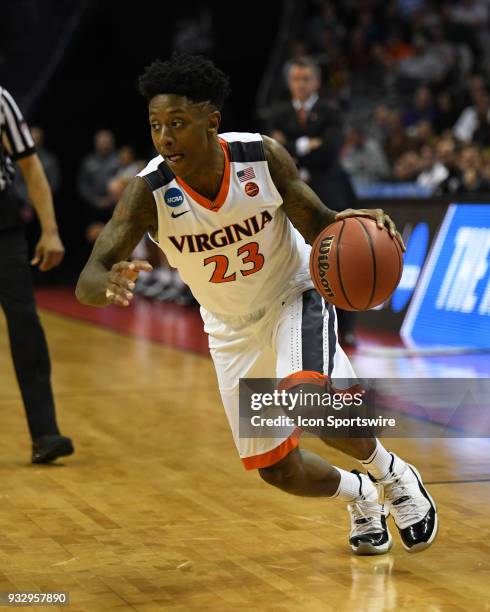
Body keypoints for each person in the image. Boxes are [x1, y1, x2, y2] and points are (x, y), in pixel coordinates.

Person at [76, 54, 437, 555]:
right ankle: (360, 495)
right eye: (156, 126)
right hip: (229, 328)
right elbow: (88, 277)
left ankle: (393, 473)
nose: (165, 138)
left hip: (292, 295)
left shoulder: (260, 157)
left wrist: (349, 222)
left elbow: (317, 222)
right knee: (277, 470)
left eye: (177, 124)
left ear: (212, 122)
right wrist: (106, 283)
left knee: (308, 400)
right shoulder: (148, 191)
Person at [0, 85, 74, 463]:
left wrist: (50, 230)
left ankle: (45, 433)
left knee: (25, 323)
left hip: (3, 226)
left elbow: (30, 165)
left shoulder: (1, 99)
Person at [265, 56, 358, 347]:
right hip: (288, 199)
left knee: (340, 260)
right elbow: (274, 153)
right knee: (288, 260)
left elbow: (329, 153)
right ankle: (292, 328)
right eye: (296, 79)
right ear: (289, 82)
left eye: (307, 79)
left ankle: (347, 328)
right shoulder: (276, 114)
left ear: (316, 82)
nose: (301, 84)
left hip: (330, 194)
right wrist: (310, 144)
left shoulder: (332, 110)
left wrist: (294, 147)